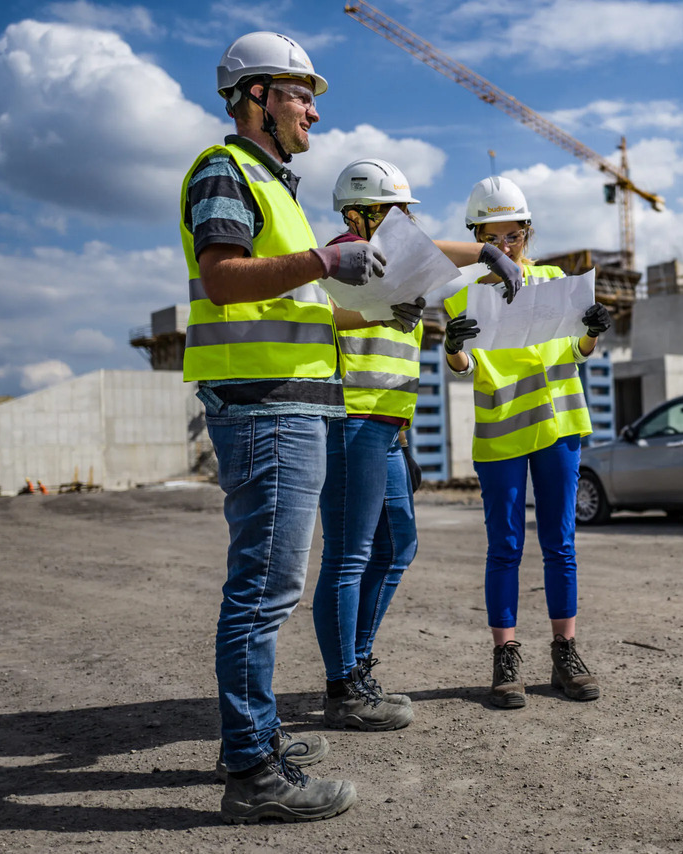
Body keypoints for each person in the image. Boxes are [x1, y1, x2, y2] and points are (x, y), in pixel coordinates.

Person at [181, 32, 426, 823]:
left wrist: (336, 277)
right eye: (297, 94)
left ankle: (252, 740)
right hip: (266, 408)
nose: (313, 108)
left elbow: (295, 298)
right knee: (264, 590)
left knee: (271, 585)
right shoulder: (228, 170)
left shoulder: (274, 186)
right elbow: (223, 279)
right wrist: (325, 262)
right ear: (254, 97)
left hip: (292, 407)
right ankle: (253, 772)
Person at [313, 158, 524, 730]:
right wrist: (480, 254)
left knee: (397, 547)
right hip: (352, 419)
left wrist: (486, 254)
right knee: (350, 554)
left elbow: (434, 251)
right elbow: (319, 317)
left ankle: (355, 664)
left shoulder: (398, 259)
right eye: (393, 210)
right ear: (358, 213)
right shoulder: (339, 257)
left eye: (405, 210)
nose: (404, 220)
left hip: (387, 425)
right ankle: (343, 686)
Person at [442, 176, 614, 709]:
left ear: (527, 232)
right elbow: (464, 364)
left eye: (514, 235)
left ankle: (566, 652)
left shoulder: (553, 279)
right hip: (501, 433)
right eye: (495, 238)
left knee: (560, 544)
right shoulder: (460, 293)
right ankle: (506, 657)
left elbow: (575, 353)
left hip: (559, 425)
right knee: (505, 548)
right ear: (477, 237)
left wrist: (591, 332)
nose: (507, 247)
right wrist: (451, 349)